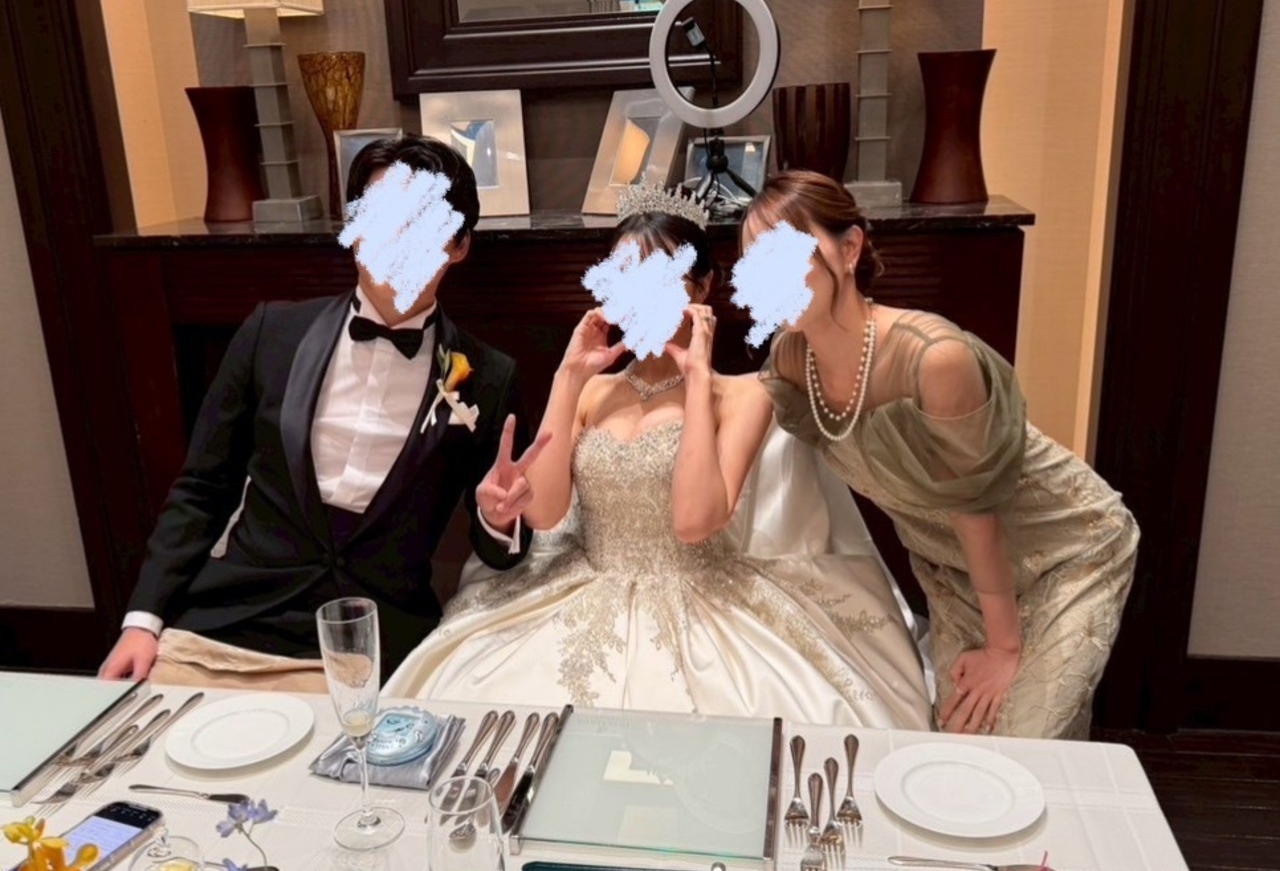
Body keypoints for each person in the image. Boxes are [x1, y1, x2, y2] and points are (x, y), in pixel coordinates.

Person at [384, 184, 932, 728]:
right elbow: (546, 515)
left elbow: (695, 522)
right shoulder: (592, 390)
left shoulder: (744, 395)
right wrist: (568, 376)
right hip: (580, 584)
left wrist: (697, 381)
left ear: (703, 288)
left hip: (700, 599)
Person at [99, 136, 547, 689]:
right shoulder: (271, 333)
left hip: (374, 647)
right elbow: (201, 489)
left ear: (458, 246)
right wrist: (142, 622)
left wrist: (498, 520)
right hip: (229, 626)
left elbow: (501, 552)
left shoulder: (490, 378)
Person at [745, 170, 1139, 739]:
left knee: (1028, 742)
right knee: (963, 750)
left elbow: (975, 511)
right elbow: (739, 401)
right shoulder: (790, 359)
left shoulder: (934, 358)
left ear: (849, 249)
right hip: (956, 572)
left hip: (1066, 549)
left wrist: (1004, 649)